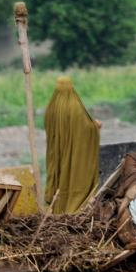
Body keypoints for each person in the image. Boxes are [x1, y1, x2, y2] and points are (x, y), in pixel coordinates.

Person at [44, 76, 102, 214]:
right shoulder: (75, 106)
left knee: (60, 174)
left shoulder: (51, 108)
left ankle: (58, 206)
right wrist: (96, 125)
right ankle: (74, 205)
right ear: (71, 87)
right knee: (74, 173)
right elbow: (86, 128)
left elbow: (48, 128)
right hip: (74, 152)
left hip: (57, 152)